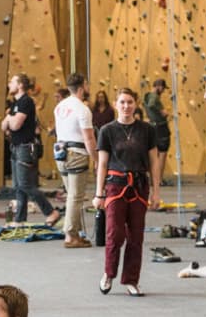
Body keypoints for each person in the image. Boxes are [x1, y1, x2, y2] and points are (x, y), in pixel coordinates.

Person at [95, 88, 158, 296]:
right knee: (114, 233)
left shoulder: (147, 130)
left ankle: (131, 279)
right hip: (115, 186)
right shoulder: (107, 130)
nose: (126, 106)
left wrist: (156, 191)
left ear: (136, 103)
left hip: (140, 187)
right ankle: (109, 273)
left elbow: (154, 162)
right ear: (116, 104)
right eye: (122, 102)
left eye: (130, 102)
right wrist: (99, 193)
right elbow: (102, 164)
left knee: (136, 235)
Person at [0, 73, 57, 226]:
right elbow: (3, 127)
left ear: (20, 85)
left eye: (12, 81)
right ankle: (20, 219)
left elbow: (14, 125)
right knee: (18, 186)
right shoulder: (15, 104)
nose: (9, 84)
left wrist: (9, 118)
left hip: (26, 148)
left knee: (25, 184)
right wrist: (9, 120)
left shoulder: (26, 102)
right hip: (16, 147)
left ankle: (51, 211)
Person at [53, 72, 97, 248]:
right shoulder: (82, 109)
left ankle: (75, 232)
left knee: (71, 194)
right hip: (76, 153)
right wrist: (96, 158)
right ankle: (70, 235)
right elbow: (89, 138)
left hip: (60, 152)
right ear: (82, 86)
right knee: (75, 196)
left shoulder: (59, 107)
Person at [142, 78, 171, 184]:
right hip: (160, 127)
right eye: (163, 88)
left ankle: (154, 178)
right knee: (162, 153)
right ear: (159, 86)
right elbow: (151, 104)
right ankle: (158, 179)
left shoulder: (147, 95)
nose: (163, 91)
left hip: (153, 126)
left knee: (154, 154)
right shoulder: (154, 97)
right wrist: (161, 111)